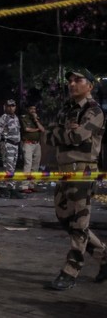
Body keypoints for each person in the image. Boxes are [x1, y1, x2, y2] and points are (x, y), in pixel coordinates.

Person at [45, 69, 107, 290]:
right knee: (63, 217)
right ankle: (104, 256)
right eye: (70, 81)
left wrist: (65, 133)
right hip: (64, 171)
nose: (72, 84)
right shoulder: (65, 110)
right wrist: (66, 131)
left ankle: (70, 271)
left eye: (77, 80)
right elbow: (47, 136)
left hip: (83, 172)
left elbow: (78, 136)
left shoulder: (95, 111)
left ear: (89, 85)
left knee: (79, 224)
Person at [0, 99, 23, 198]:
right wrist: (0, 146)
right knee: (9, 168)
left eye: (13, 106)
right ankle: (12, 189)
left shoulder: (16, 118)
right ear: (5, 107)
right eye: (9, 106)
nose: (11, 108)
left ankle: (3, 188)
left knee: (11, 168)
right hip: (7, 144)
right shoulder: (3, 118)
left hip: (15, 145)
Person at [19, 104, 45, 192]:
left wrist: (36, 120)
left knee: (36, 165)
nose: (33, 110)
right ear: (28, 109)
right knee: (28, 164)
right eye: (31, 109)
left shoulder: (36, 119)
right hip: (28, 143)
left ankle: (32, 185)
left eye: (34, 109)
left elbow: (43, 129)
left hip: (37, 144)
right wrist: (37, 129)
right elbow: (26, 129)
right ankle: (25, 186)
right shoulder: (24, 118)